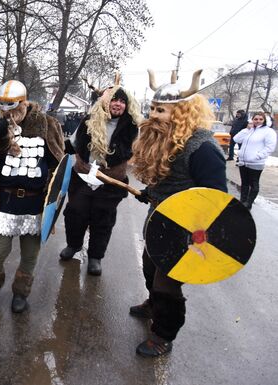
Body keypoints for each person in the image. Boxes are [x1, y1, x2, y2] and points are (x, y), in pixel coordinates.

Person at [130, 70, 227, 357]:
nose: (154, 116)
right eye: (152, 108)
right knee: (149, 267)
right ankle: (152, 305)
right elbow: (167, 180)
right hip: (158, 221)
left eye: (161, 110)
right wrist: (152, 194)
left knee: (167, 284)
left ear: (183, 112)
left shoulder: (203, 148)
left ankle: (163, 334)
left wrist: (194, 233)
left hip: (184, 231)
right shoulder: (165, 139)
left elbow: (215, 199)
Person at [0, 80, 64, 313]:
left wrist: (53, 201)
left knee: (30, 254)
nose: (6, 111)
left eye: (11, 106)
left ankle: (21, 293)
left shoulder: (47, 124)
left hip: (34, 203)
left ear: (23, 103)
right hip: (5, 202)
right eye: (1, 105)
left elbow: (58, 162)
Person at [59, 77, 142, 276]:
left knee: (102, 219)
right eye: (115, 100)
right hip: (83, 177)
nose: (118, 104)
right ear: (106, 101)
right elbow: (72, 143)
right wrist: (55, 153)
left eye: (122, 101)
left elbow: (138, 151)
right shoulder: (89, 120)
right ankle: (74, 245)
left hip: (111, 182)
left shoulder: (132, 127)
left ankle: (95, 257)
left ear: (126, 105)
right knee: (74, 213)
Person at [233, 111, 277, 210]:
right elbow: (236, 139)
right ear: (252, 120)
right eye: (255, 119)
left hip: (256, 162)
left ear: (265, 120)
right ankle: (242, 201)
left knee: (253, 184)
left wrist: (257, 156)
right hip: (243, 161)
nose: (258, 121)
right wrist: (246, 130)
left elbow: (269, 147)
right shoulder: (249, 130)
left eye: (260, 119)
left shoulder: (268, 132)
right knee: (244, 183)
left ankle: (249, 203)